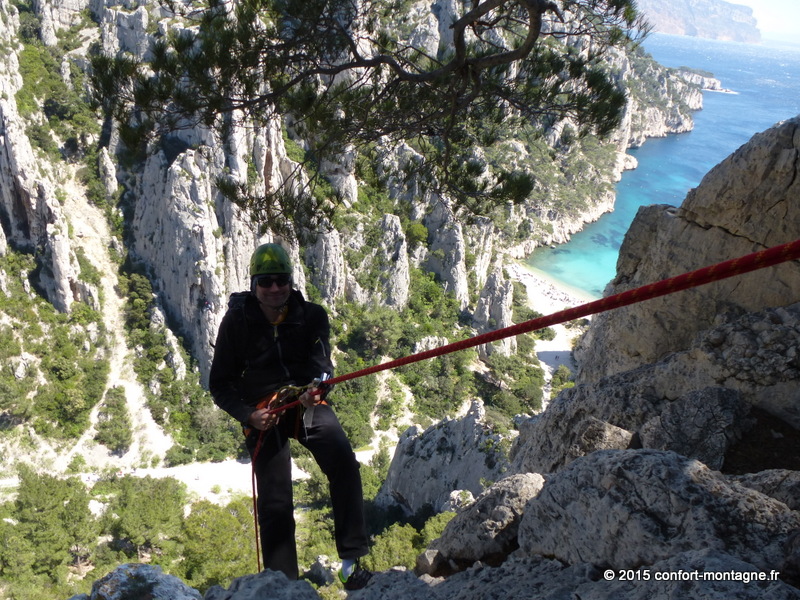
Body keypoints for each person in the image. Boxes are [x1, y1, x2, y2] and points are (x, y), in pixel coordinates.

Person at [209, 242, 372, 590]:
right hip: (263, 411)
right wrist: (249, 415)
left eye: (280, 280)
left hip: (304, 403)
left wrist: (318, 391)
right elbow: (220, 385)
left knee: (344, 463)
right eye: (265, 281)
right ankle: (284, 584)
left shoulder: (312, 316)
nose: (274, 288)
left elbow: (323, 368)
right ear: (254, 285)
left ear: (290, 281)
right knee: (276, 498)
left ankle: (350, 563)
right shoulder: (236, 322)